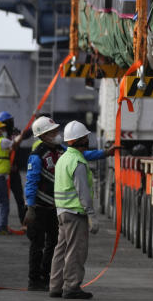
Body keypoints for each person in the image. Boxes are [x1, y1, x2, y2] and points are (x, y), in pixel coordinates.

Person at [25, 117, 117, 291]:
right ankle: (34, 280)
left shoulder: (62, 151)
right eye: (52, 132)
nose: (56, 134)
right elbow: (31, 182)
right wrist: (30, 207)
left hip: (56, 208)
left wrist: (104, 153)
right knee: (38, 245)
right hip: (39, 207)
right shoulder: (37, 156)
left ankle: (50, 280)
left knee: (55, 246)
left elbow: (83, 153)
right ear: (43, 136)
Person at [49, 120, 99, 299]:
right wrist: (91, 215)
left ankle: (55, 286)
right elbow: (83, 192)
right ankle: (71, 287)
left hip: (62, 212)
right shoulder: (78, 162)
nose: (87, 139)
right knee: (76, 251)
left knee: (61, 249)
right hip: (75, 213)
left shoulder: (63, 158)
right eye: (85, 137)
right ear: (80, 140)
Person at [0, 111, 28, 224]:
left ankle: (23, 222)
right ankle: (1, 224)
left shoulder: (16, 132)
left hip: (13, 171)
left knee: (19, 198)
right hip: (2, 172)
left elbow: (24, 135)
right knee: (2, 201)